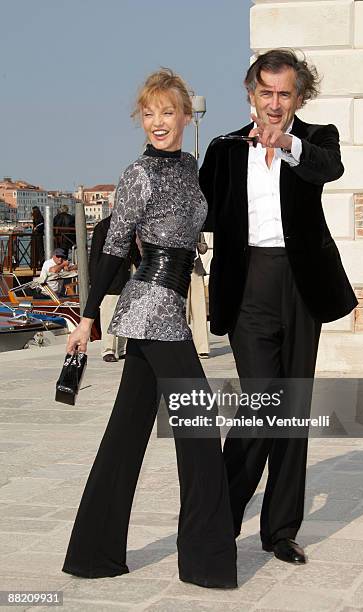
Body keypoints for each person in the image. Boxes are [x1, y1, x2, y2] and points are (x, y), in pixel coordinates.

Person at [61, 69, 237, 589]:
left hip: (171, 302)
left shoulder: (188, 165)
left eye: (168, 112)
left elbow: (199, 221)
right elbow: (113, 246)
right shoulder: (138, 174)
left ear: (185, 115)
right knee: (200, 429)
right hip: (151, 305)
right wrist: (87, 318)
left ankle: (93, 554)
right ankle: (206, 563)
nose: (158, 122)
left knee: (126, 434)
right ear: (141, 118)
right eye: (149, 113)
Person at [199, 49, 358, 565]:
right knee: (262, 402)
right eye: (264, 93)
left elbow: (327, 169)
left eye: (283, 93)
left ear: (298, 96)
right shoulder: (223, 150)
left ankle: (281, 529)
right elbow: (194, 211)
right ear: (250, 95)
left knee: (292, 409)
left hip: (302, 287)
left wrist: (286, 143)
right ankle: (216, 518)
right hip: (247, 287)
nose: (273, 103)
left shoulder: (316, 138)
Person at [89, 214, 141, 362]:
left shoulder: (128, 226)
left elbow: (134, 253)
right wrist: (95, 281)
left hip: (125, 279)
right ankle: (108, 350)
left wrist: (142, 267)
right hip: (108, 281)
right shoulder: (102, 227)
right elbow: (94, 256)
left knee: (124, 315)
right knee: (108, 316)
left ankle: (122, 348)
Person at [187, 232, 210, 358]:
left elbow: (204, 248)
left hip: (196, 269)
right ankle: (181, 345)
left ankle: (202, 347)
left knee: (200, 310)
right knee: (182, 311)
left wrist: (197, 245)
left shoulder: (197, 226)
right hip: (180, 269)